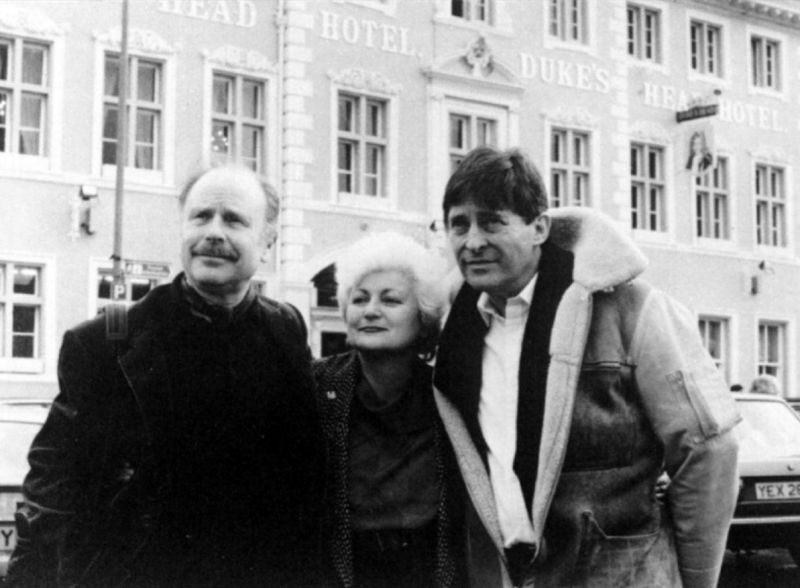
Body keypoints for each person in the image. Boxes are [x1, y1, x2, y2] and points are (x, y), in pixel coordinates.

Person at [432, 146, 741, 588]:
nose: (472, 241)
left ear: (539, 227)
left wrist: (694, 579)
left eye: (492, 221)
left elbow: (709, 448)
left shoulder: (631, 308)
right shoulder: (458, 329)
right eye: (458, 224)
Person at [6, 165, 326, 587]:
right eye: (200, 217)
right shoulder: (105, 341)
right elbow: (54, 487)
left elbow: (306, 473)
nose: (213, 232)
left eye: (233, 219)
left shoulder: (285, 329)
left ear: (267, 243)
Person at [313, 232, 466, 588]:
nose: (370, 310)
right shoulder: (318, 387)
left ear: (424, 317)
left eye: (391, 300)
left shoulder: (448, 395)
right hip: (345, 575)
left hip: (428, 573)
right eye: (359, 298)